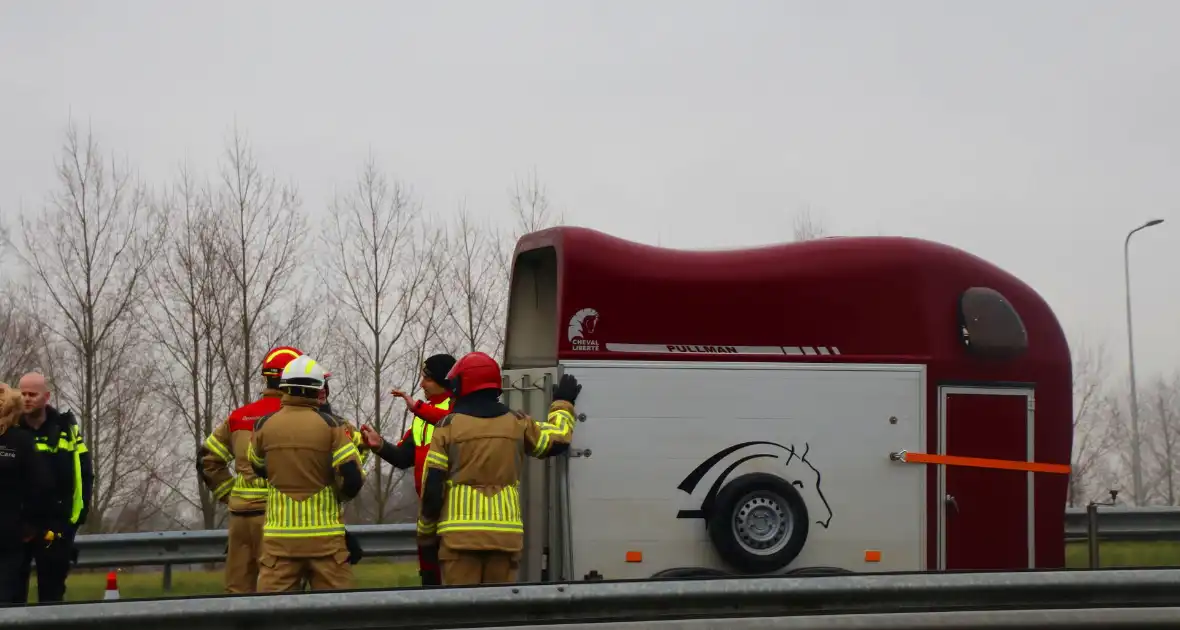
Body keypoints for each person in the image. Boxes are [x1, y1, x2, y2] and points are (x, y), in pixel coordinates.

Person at [415, 352, 582, 585]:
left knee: (461, 612)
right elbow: (558, 440)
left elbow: (433, 489)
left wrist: (425, 537)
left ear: (462, 384)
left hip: (459, 540)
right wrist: (563, 403)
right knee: (498, 614)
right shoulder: (517, 423)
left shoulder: (447, 427)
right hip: (505, 539)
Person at [248, 354, 365, 592]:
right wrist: (338, 496)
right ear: (317, 389)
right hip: (326, 543)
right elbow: (351, 477)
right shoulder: (332, 426)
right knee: (336, 611)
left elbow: (257, 465)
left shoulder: (263, 425)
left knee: (274, 615)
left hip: (279, 542)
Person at [197, 345, 303, 594]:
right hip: (277, 519)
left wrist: (231, 494)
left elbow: (208, 460)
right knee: (278, 594)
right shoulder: (298, 416)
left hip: (240, 520)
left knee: (238, 594)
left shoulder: (238, 417)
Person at [361, 353, 455, 586]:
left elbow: (452, 422)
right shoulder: (421, 415)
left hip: (452, 508)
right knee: (430, 574)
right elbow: (404, 457)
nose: (421, 384)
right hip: (427, 504)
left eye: (428, 379)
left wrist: (418, 408)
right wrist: (379, 445)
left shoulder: (456, 406)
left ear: (444, 380)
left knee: (453, 575)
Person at [12, 372, 92, 604]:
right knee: (12, 595)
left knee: (52, 595)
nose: (27, 399)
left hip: (56, 527)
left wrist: (72, 522)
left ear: (46, 397)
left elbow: (83, 476)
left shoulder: (65, 430)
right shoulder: (10, 429)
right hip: (18, 526)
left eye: (33, 394)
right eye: (23, 393)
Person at [0, 387, 56, 605]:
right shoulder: (21, 441)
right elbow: (43, 486)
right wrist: (30, 526)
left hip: (9, 532)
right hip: (9, 533)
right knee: (8, 596)